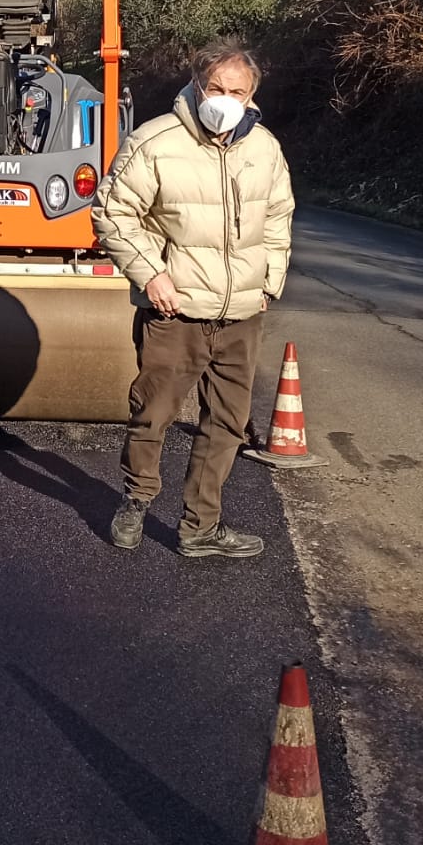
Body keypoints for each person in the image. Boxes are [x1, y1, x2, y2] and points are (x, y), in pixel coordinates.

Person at [91, 41, 294, 559]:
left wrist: (268, 281)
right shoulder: (155, 142)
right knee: (152, 413)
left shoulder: (265, 149)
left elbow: (278, 217)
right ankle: (136, 501)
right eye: (217, 88)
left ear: (252, 98)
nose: (225, 100)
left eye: (237, 92)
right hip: (174, 312)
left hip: (242, 316)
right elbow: (113, 213)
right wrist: (151, 275)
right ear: (197, 85)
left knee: (227, 423)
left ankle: (199, 527)